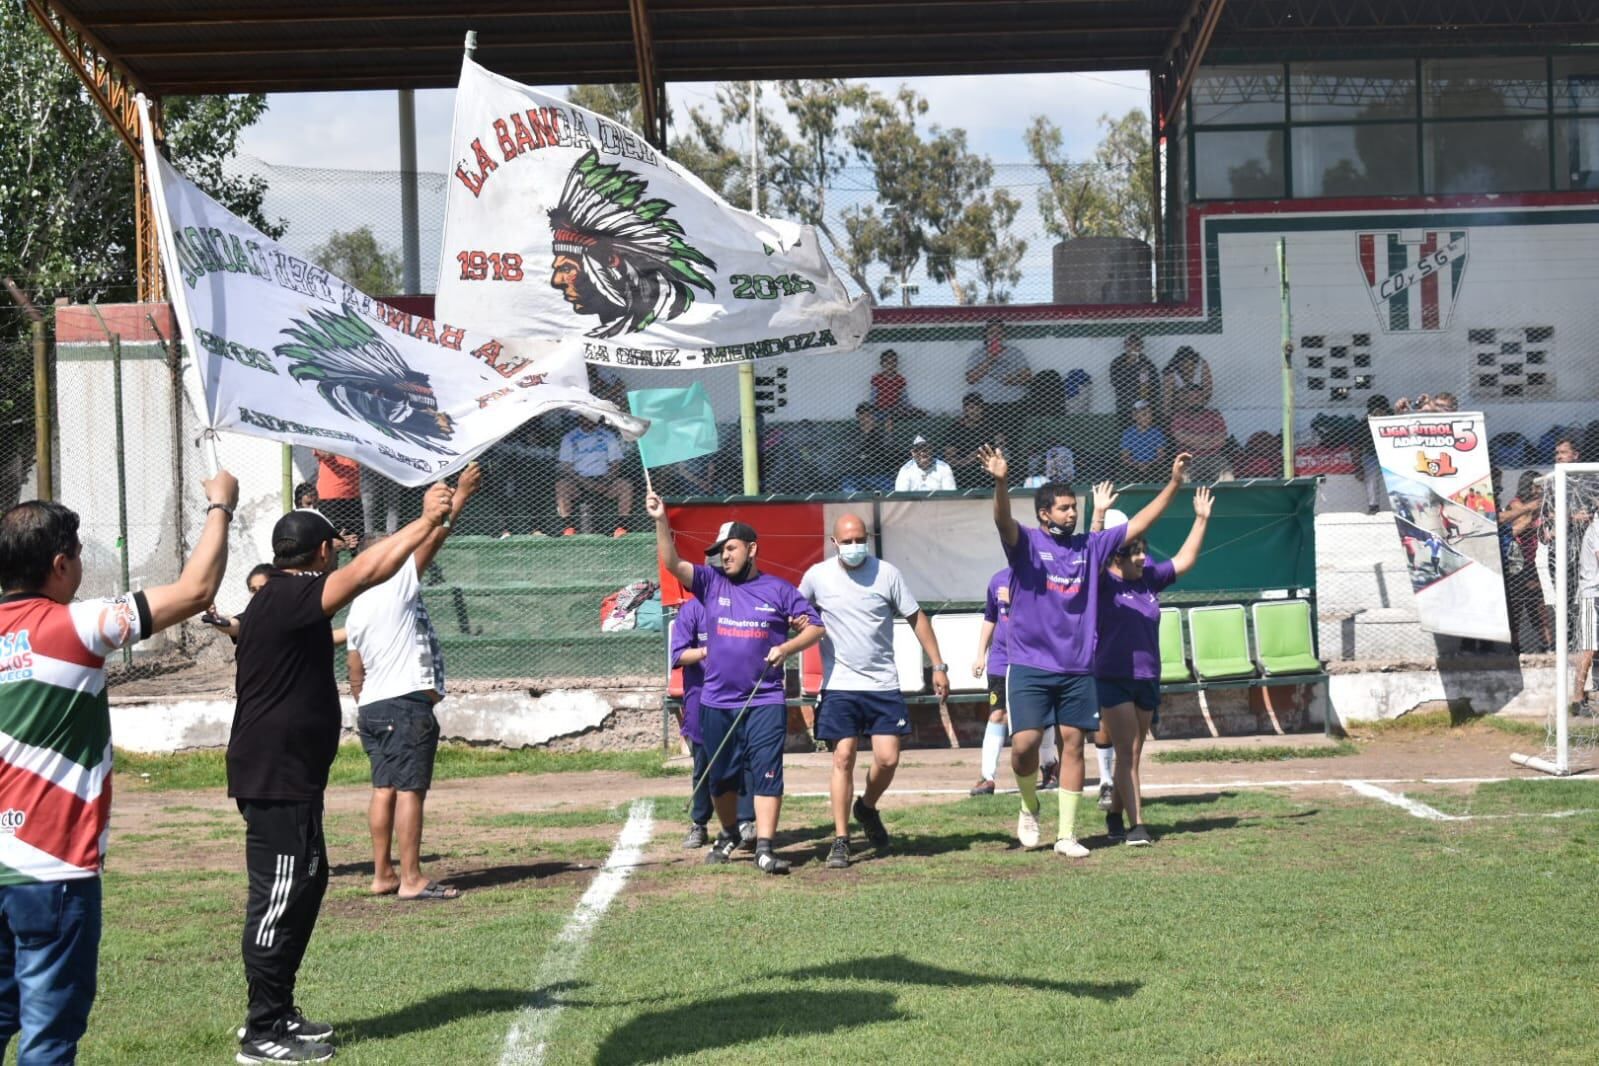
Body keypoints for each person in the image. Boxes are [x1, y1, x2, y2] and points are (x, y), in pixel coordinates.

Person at [0, 470, 238, 1064]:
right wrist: (220, 506)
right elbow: (196, 590)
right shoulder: (75, 625)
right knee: (49, 1039)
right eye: (78, 558)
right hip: (53, 868)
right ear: (60, 565)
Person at [229, 481, 453, 1063]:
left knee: (308, 883)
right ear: (323, 553)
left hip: (292, 775)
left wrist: (430, 526)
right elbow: (370, 572)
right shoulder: (288, 595)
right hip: (274, 776)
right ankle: (261, 1031)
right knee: (278, 896)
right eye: (336, 549)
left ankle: (279, 1010)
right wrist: (424, 519)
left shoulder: (280, 599)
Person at [977, 441, 1190, 857]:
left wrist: (1174, 483)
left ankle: (1067, 836)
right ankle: (1029, 802)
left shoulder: (1090, 548)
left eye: (1075, 508)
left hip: (1077, 668)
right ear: (1044, 514)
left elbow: (1142, 521)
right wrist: (1001, 483)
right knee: (1023, 747)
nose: (1072, 514)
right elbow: (1002, 520)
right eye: (1063, 508)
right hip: (1030, 665)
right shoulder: (1026, 546)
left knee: (1073, 743)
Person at [647, 500, 824, 875]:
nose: (723, 557)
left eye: (730, 549)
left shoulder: (778, 590)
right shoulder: (711, 583)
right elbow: (672, 563)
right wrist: (662, 521)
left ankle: (764, 846)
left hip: (765, 700)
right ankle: (728, 833)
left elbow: (815, 627)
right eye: (719, 551)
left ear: (751, 549)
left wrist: (786, 647)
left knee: (767, 771)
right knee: (721, 778)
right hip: (716, 702)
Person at [346, 464, 482, 903]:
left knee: (382, 788)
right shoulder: (391, 583)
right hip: (404, 706)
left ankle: (382, 873)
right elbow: (436, 535)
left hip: (374, 707)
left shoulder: (357, 607)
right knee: (410, 791)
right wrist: (459, 494)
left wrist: (365, 700)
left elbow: (354, 667)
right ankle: (411, 878)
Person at [799, 515, 950, 869]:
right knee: (843, 756)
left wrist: (938, 666)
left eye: (860, 539)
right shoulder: (816, 577)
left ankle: (865, 807)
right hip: (839, 685)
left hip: (882, 684)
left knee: (888, 758)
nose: (854, 546)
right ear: (833, 542)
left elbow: (916, 617)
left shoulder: (888, 574)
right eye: (847, 540)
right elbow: (792, 610)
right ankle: (841, 840)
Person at [1096, 487, 1213, 847]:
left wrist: (1201, 519)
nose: (1144, 559)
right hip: (1112, 678)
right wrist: (1099, 514)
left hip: (1147, 678)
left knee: (1131, 755)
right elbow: (1094, 554)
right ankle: (1137, 827)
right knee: (1128, 751)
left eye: (1145, 552)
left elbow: (1186, 559)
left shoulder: (1150, 579)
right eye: (1136, 554)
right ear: (1118, 558)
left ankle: (1115, 814)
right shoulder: (1102, 583)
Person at [674, 547, 756, 849]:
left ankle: (745, 820)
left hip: (739, 695)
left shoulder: (741, 604)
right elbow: (680, 654)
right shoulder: (692, 610)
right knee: (705, 764)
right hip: (702, 697)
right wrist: (709, 651)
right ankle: (699, 822)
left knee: (742, 758)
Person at [970, 567, 1012, 795]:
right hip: (1000, 659)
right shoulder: (998, 579)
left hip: (1032, 659)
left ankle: (1049, 766)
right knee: (997, 714)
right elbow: (990, 617)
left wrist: (1016, 601)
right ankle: (987, 777)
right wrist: (980, 656)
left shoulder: (1040, 578)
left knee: (1038, 717)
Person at [555, 416, 633, 537]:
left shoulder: (608, 436)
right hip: (578, 481)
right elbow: (566, 466)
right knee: (561, 486)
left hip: (604, 481)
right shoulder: (569, 438)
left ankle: (621, 527)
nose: (589, 420)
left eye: (592, 417)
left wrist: (607, 481)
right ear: (579, 418)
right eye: (585, 417)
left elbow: (616, 464)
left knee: (625, 486)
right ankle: (568, 527)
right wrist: (586, 483)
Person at [964, 319, 1031, 408]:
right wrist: (990, 359)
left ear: (1003, 335)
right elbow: (970, 379)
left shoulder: (1014, 352)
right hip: (985, 402)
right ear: (986, 335)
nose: (995, 336)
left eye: (999, 332)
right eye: (991, 332)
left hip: (1013, 400)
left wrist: (1012, 379)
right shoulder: (978, 352)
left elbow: (1027, 377)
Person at [842, 403, 898, 494]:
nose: (866, 419)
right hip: (857, 474)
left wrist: (888, 432)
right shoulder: (853, 433)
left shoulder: (881, 433)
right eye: (862, 415)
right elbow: (851, 451)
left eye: (868, 415)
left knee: (891, 488)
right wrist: (865, 433)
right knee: (847, 483)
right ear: (858, 417)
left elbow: (890, 450)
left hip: (879, 474)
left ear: (874, 416)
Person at [1169, 400, 1231, 482]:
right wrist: (1208, 439)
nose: (1195, 398)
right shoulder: (1179, 416)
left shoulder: (1214, 415)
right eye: (1191, 394)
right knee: (1183, 479)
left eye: (1198, 394)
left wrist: (1193, 440)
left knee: (1228, 477)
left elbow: (1221, 440)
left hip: (1213, 456)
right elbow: (1180, 437)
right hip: (1188, 457)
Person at [945, 392, 997, 483]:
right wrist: (966, 461)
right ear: (965, 409)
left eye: (979, 408)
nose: (975, 411)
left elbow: (999, 448)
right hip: (962, 470)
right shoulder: (955, 429)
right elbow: (949, 458)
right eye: (971, 408)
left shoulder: (990, 427)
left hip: (986, 469)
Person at [1109, 333, 1161, 425]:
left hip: (1144, 404)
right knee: (1125, 427)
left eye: (1136, 345)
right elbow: (1115, 382)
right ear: (1125, 346)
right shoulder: (1117, 362)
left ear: (1141, 347)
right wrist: (1129, 365)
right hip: (1125, 403)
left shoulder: (1147, 363)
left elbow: (1156, 385)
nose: (1133, 348)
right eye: (1130, 345)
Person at [312, 450, 364, 540]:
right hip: (330, 496)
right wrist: (335, 449)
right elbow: (322, 452)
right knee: (329, 538)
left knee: (356, 537)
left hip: (353, 495)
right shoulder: (327, 439)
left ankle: (356, 553)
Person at [1120, 400, 1169, 482]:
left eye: (1150, 414)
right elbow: (1125, 456)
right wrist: (1137, 464)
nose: (1147, 417)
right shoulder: (1128, 433)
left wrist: (1149, 464)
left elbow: (1161, 455)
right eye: (1144, 414)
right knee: (1124, 473)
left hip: (1153, 466)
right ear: (1134, 416)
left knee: (1162, 472)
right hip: (1133, 467)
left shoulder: (1157, 433)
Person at [1162, 345, 1212, 417]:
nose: (1189, 370)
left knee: (1194, 395)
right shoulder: (1171, 371)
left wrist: (1195, 401)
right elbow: (1167, 400)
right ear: (1178, 365)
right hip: (1179, 405)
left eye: (1191, 366)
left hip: (1198, 402)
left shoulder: (1202, 365)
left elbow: (1208, 393)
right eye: (1185, 367)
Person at [870, 349, 919, 417]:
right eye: (887, 361)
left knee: (915, 412)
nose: (890, 364)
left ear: (896, 363)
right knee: (878, 414)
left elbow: (904, 397)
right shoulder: (877, 378)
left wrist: (909, 408)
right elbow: (873, 396)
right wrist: (872, 408)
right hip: (881, 409)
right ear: (881, 363)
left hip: (896, 409)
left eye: (893, 361)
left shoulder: (899, 379)